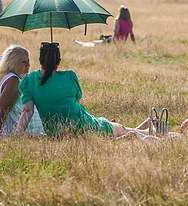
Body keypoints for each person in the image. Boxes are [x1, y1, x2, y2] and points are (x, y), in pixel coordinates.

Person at [15, 42, 154, 138]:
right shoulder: (70, 76)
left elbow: (27, 111)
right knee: (119, 129)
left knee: (115, 128)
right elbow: (77, 99)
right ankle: (145, 131)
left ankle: (139, 130)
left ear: (40, 60)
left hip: (55, 132)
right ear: (59, 61)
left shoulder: (29, 81)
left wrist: (17, 136)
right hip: (84, 126)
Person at [0, 45, 45, 137]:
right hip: (14, 134)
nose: (28, 65)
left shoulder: (6, 78)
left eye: (28, 61)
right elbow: (2, 110)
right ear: (12, 63)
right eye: (23, 62)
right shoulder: (13, 81)